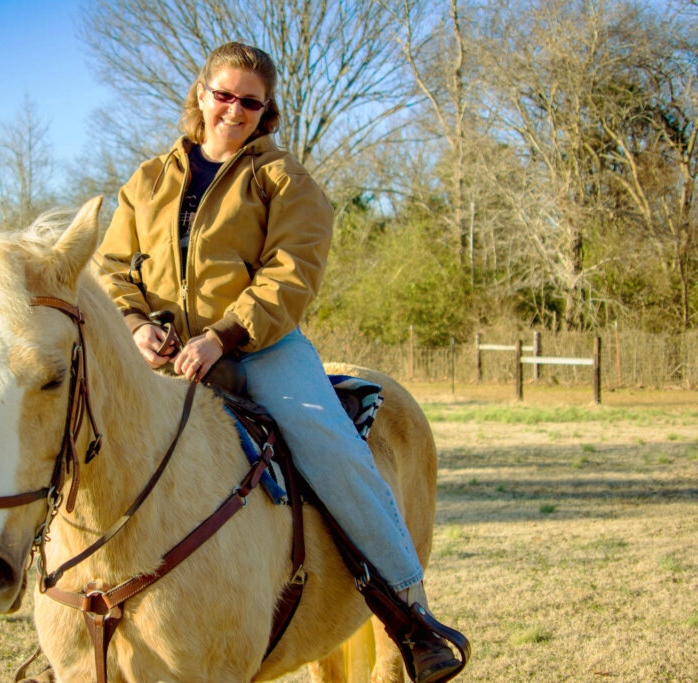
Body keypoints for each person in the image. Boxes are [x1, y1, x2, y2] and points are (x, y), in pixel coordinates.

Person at [95, 42, 467, 683]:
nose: (233, 110)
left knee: (334, 450)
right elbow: (109, 269)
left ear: (266, 113)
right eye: (223, 94)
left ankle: (410, 615)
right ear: (202, 94)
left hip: (259, 344)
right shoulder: (148, 181)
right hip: (161, 353)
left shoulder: (283, 180)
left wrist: (223, 335)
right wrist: (132, 326)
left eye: (250, 102)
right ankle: (75, 625)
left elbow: (290, 275)